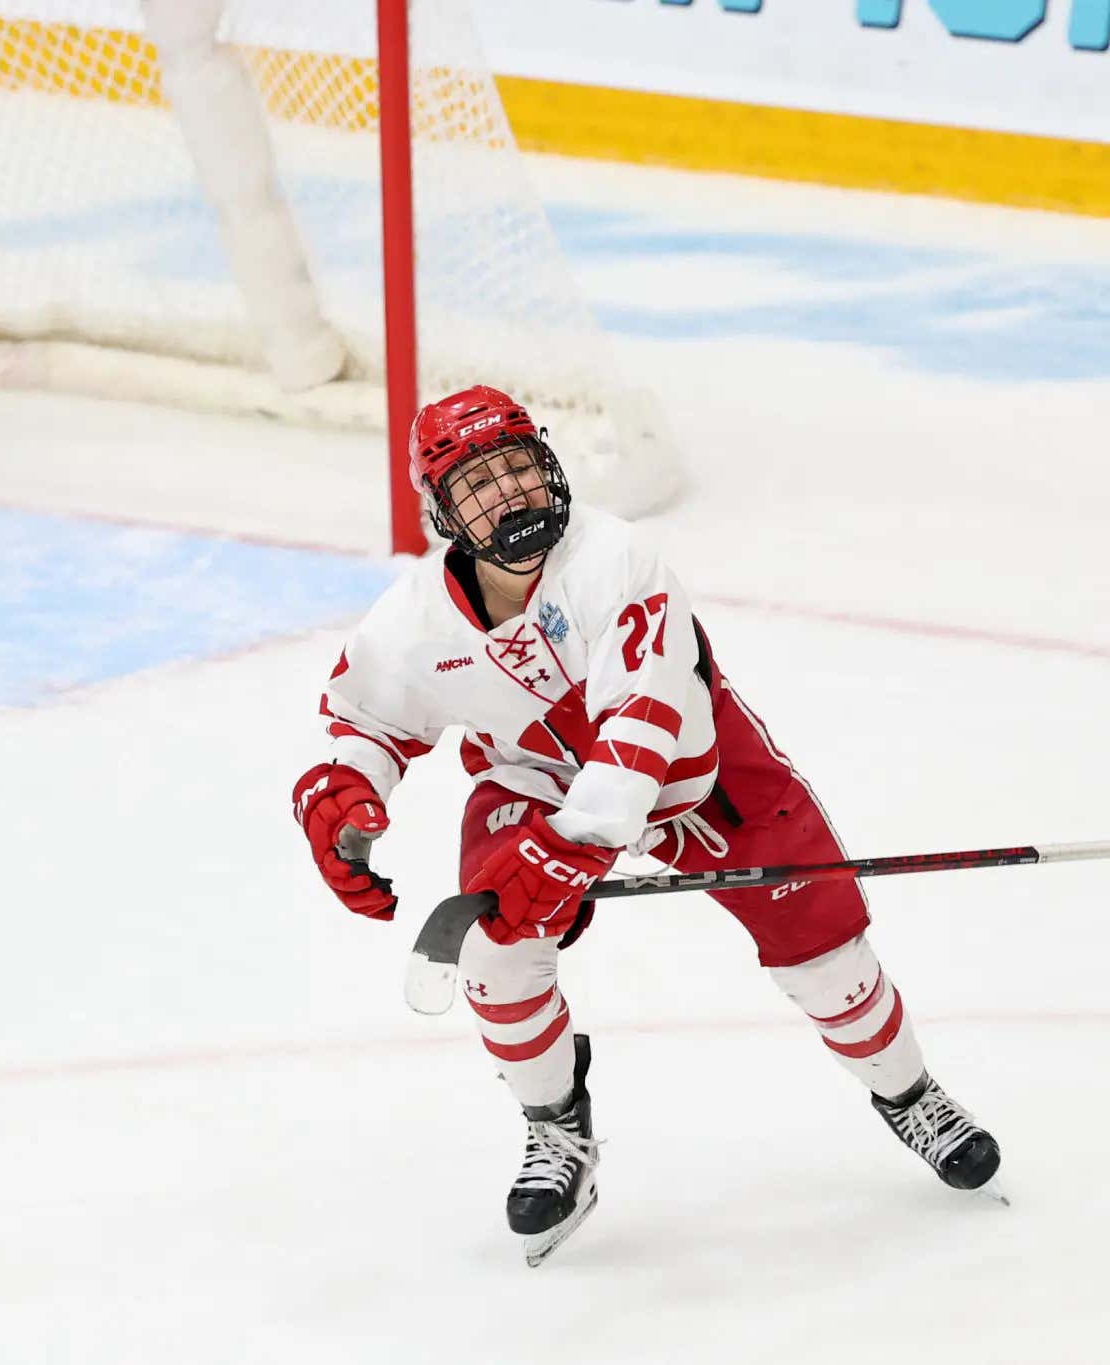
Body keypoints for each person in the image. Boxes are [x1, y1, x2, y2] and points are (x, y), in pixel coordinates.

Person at [290, 385, 1001, 1264]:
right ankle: (560, 1131)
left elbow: (639, 728)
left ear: (548, 464)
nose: (509, 494)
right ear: (442, 511)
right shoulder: (413, 622)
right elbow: (363, 718)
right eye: (480, 483)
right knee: (496, 945)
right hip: (537, 782)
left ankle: (909, 1094)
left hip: (698, 778)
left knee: (828, 957)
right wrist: (346, 797)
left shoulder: (618, 559)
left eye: (518, 466)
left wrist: (572, 847)